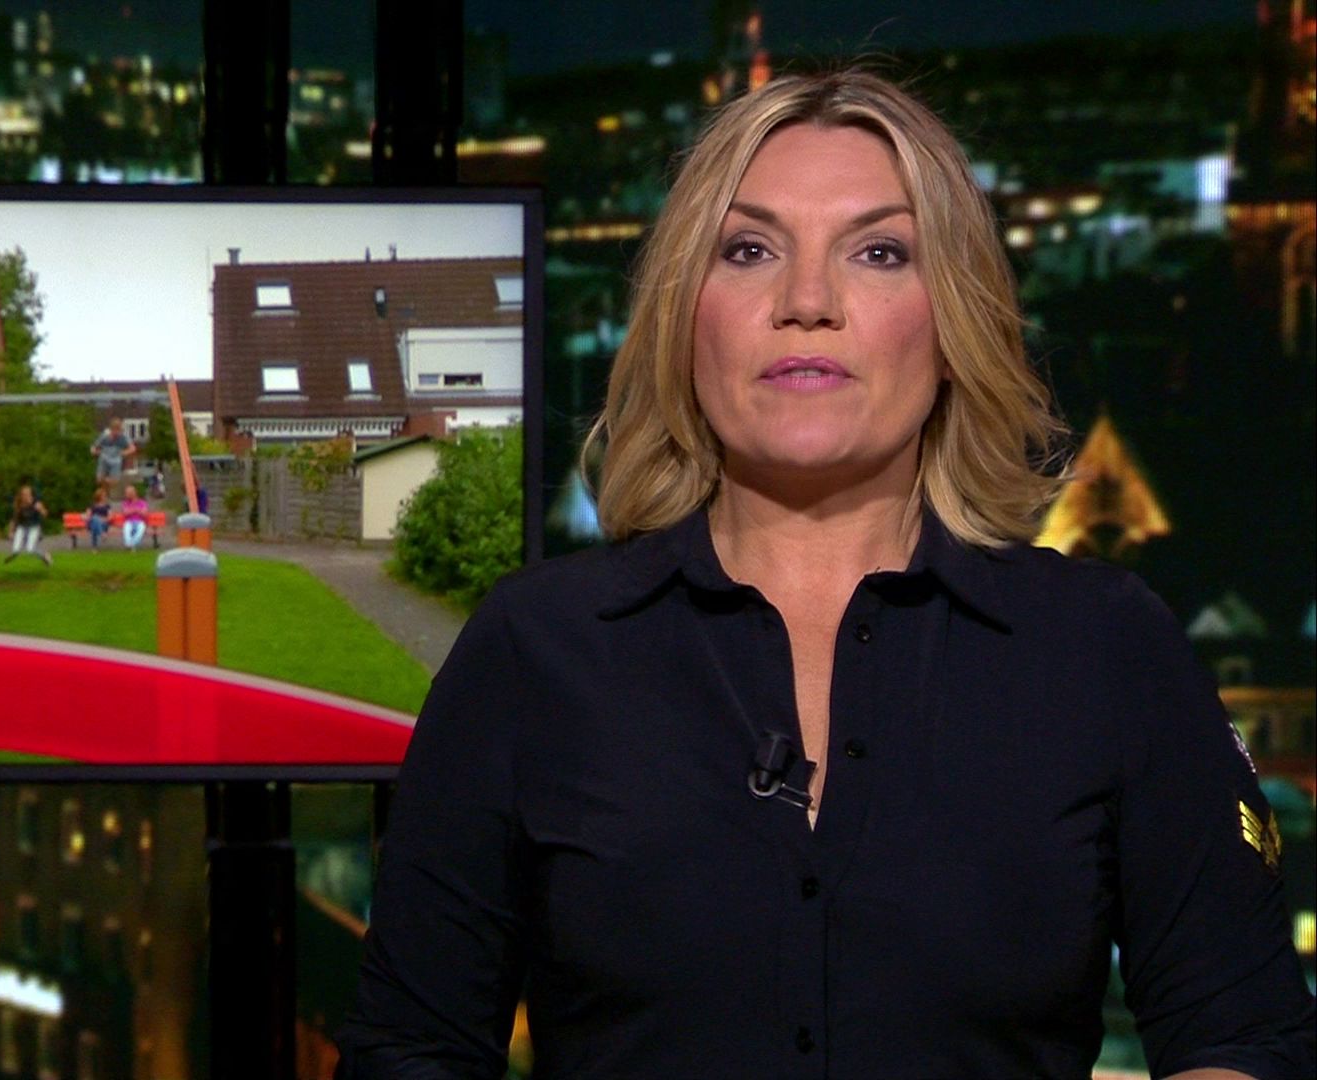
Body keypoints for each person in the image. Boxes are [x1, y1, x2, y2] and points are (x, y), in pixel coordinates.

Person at [335, 71, 1314, 1078]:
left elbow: (1247, 1037)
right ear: (684, 318)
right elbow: (409, 1049)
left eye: (879, 252)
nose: (807, 303)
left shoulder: (1103, 645)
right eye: (749, 251)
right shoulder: (534, 649)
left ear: (954, 325)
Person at [4, 479, 52, 566]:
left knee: (30, 549)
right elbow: (14, 520)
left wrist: (40, 510)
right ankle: (13, 554)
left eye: (28, 494)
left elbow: (45, 514)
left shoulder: (36, 503)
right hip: (22, 527)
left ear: (31, 495)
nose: (26, 496)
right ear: (21, 495)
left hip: (34, 527)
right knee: (15, 550)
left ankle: (45, 556)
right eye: (24, 494)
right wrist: (10, 531)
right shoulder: (18, 505)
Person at [89, 417, 136, 486]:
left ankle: (108, 480)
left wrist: (124, 453)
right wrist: (94, 452)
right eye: (115, 431)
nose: (117, 434)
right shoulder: (105, 435)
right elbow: (94, 447)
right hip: (104, 458)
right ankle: (103, 481)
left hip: (116, 459)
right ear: (111, 429)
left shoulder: (124, 436)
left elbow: (133, 448)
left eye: (119, 431)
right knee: (99, 480)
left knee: (115, 482)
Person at [119, 485, 149, 550]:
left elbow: (145, 514)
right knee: (126, 530)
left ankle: (130, 544)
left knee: (141, 530)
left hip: (140, 521)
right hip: (129, 521)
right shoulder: (125, 503)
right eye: (126, 493)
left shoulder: (142, 503)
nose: (126, 495)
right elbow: (125, 513)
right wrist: (136, 510)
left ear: (133, 493)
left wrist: (133, 510)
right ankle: (130, 545)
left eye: (128, 493)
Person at [85, 483, 112, 551]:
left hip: (104, 524)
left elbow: (110, 517)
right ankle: (102, 534)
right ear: (99, 496)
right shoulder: (92, 505)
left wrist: (103, 520)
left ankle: (94, 547)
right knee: (95, 519)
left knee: (95, 524)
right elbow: (88, 516)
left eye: (105, 495)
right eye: (104, 496)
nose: (105, 497)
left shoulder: (107, 506)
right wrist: (97, 519)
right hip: (92, 522)